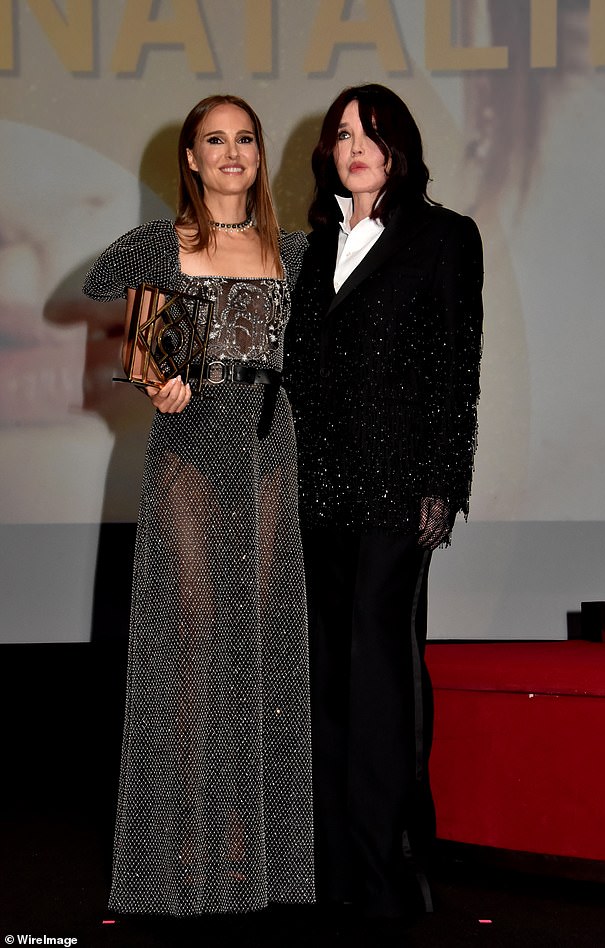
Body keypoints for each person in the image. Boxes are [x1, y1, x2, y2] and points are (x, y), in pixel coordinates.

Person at [83, 94, 314, 916]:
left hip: (269, 442)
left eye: (244, 139)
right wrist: (154, 373)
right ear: (189, 157)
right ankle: (183, 851)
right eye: (213, 140)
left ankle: (253, 853)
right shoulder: (164, 244)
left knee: (259, 635)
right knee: (193, 631)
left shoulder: (293, 250)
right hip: (192, 443)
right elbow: (127, 329)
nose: (231, 152)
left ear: (259, 155)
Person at [284, 84, 483, 921]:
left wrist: (442, 484)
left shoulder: (444, 236)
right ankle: (332, 865)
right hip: (311, 486)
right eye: (341, 134)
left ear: (399, 144)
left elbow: (456, 371)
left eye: (370, 131)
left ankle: (391, 864)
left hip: (400, 487)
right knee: (326, 674)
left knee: (381, 671)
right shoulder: (307, 247)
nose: (354, 144)